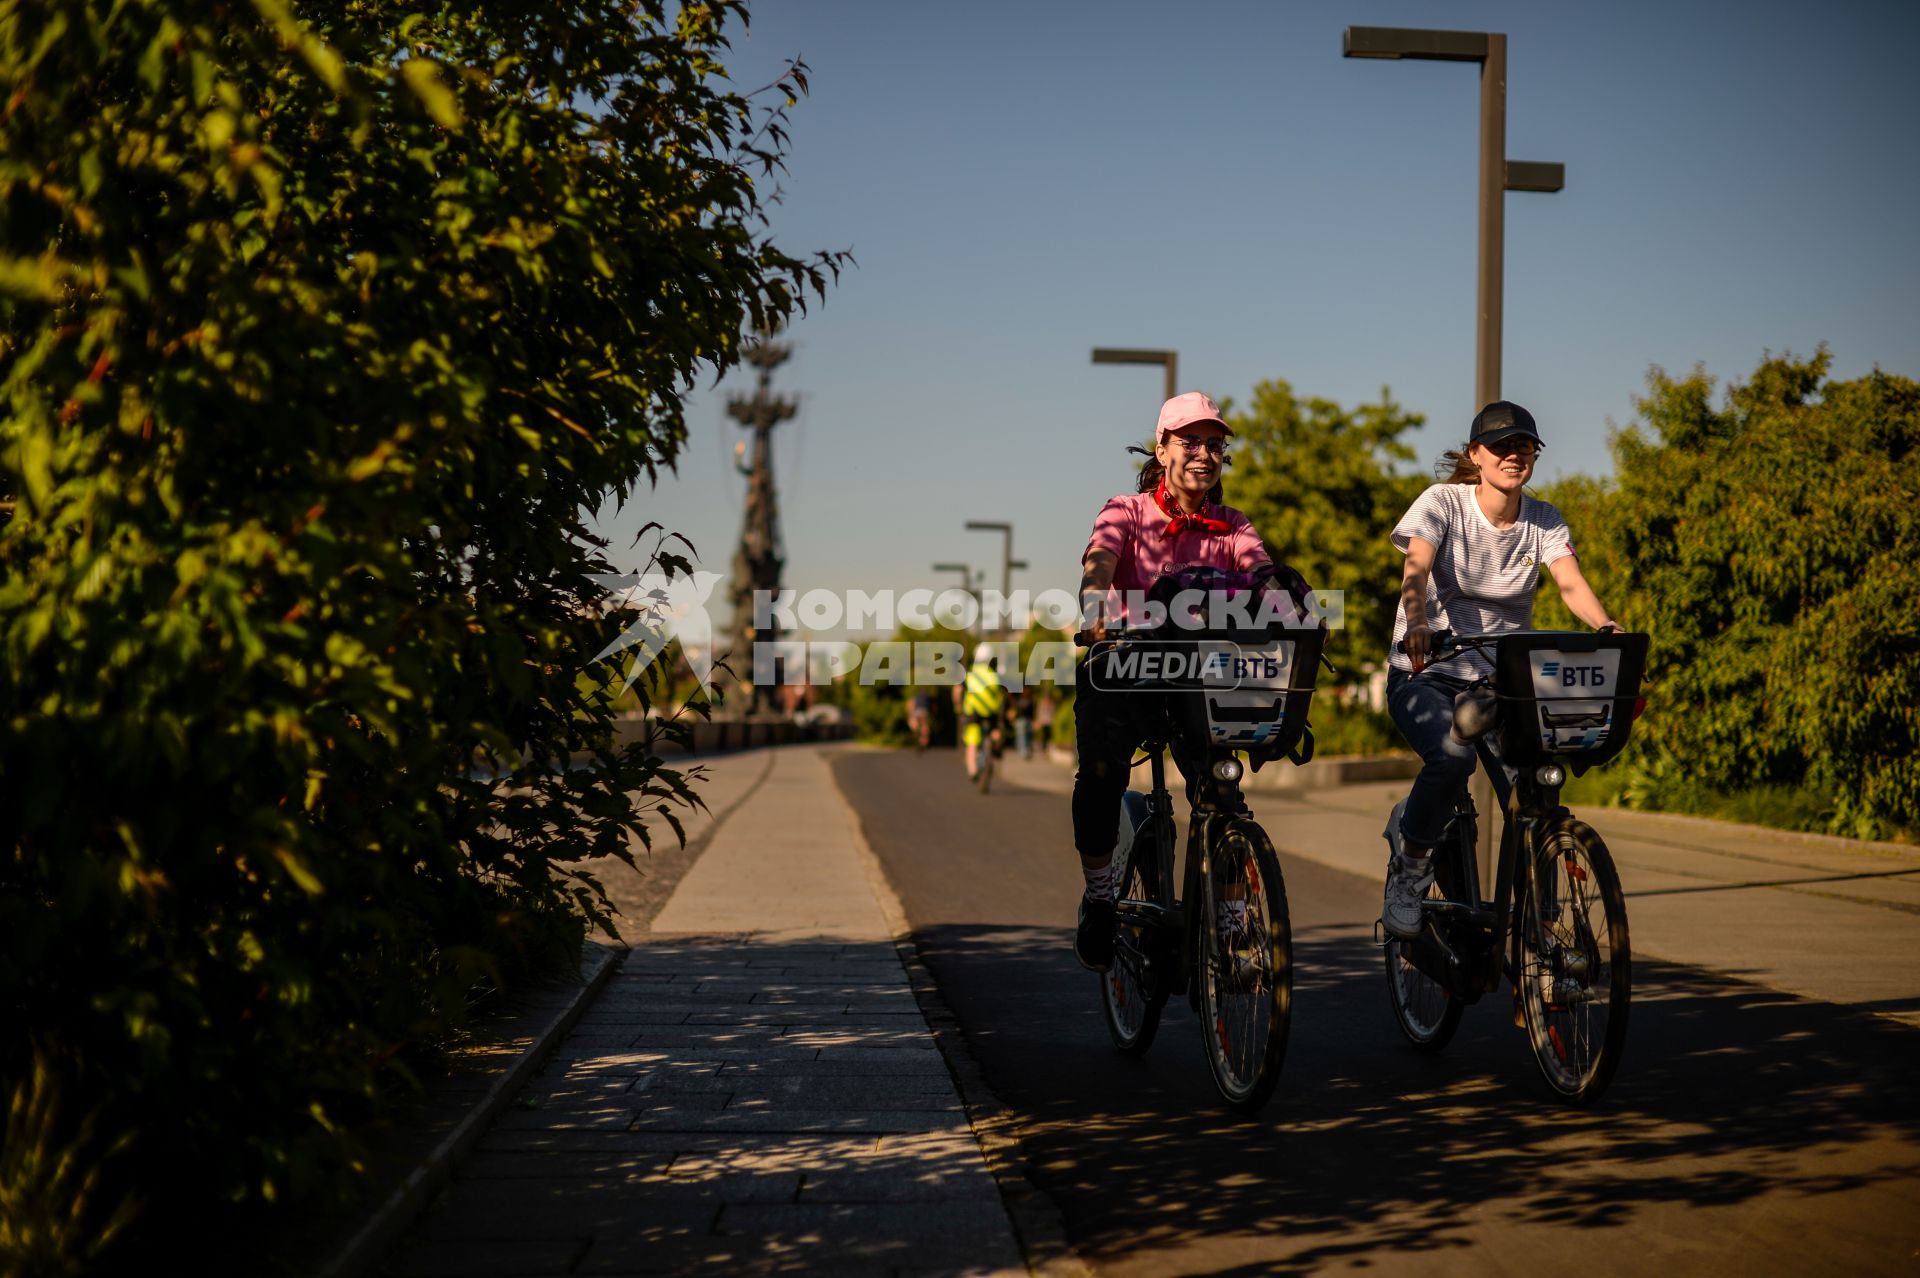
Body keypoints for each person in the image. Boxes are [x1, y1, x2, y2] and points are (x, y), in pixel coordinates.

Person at [1381, 401, 1622, 940]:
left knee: (1536, 787)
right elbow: (1415, 566)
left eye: (1525, 446)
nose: (1514, 455)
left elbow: (1569, 582)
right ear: (1476, 455)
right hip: (1430, 671)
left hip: (1503, 680)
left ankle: (1544, 926)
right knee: (1450, 760)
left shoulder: (1543, 519)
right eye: (1502, 446)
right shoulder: (1442, 503)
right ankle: (1411, 866)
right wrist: (1416, 622)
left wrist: (1607, 626)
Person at [1072, 391, 1275, 971]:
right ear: (1162, 448)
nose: (1204, 455)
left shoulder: (1233, 526)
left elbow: (1264, 576)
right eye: (1190, 442)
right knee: (1102, 774)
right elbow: (1100, 563)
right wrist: (1095, 615)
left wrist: (1295, 613)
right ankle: (1101, 895)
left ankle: (1234, 938)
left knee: (1223, 793)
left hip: (1198, 677)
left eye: (1215, 445)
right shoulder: (1127, 510)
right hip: (1126, 662)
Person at [955, 642, 1006, 782]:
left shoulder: (969, 675)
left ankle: (973, 771)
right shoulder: (995, 676)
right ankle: (995, 746)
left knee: (972, 742)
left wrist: (958, 705)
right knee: (996, 731)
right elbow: (1003, 693)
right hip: (991, 713)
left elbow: (958, 691)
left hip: (973, 712)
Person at [1011, 688, 1036, 760]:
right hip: (1025, 720)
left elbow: (1016, 710)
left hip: (1021, 721)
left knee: (1022, 737)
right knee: (1025, 737)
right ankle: (1025, 751)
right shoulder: (1030, 701)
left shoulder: (1020, 701)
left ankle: (1024, 751)